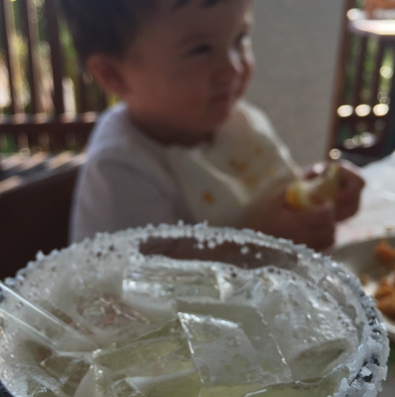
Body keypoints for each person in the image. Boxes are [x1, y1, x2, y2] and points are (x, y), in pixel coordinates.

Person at [63, 0, 364, 251]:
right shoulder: (122, 168)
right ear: (113, 75)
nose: (233, 67)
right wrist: (257, 243)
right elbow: (147, 285)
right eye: (201, 50)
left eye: (240, 38)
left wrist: (319, 198)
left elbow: (276, 192)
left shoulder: (240, 121)